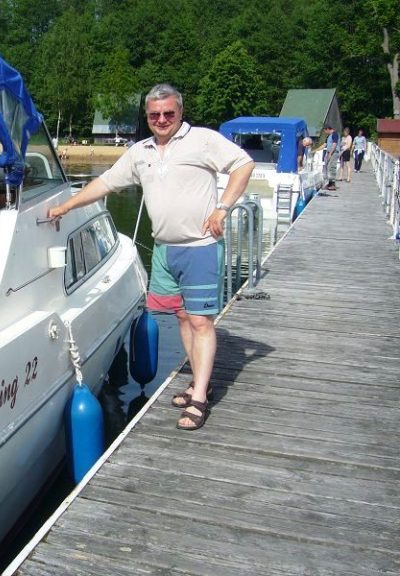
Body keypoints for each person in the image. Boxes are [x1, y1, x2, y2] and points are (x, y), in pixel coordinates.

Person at [48, 83, 254, 431]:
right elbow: (107, 183)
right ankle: (197, 382)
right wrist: (66, 206)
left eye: (168, 113)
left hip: (200, 246)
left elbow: (243, 164)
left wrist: (223, 207)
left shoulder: (202, 139)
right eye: (155, 114)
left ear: (180, 112)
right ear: (147, 116)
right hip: (164, 249)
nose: (161, 119)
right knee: (185, 319)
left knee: (201, 321)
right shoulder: (140, 151)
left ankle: (200, 397)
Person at [322, 125, 339, 190]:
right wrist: (315, 150)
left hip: (333, 153)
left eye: (325, 131)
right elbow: (324, 145)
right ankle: (329, 183)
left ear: (328, 129)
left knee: (332, 167)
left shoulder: (334, 134)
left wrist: (330, 153)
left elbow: (334, 144)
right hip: (329, 152)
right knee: (327, 167)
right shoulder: (329, 136)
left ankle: (332, 184)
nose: (325, 132)